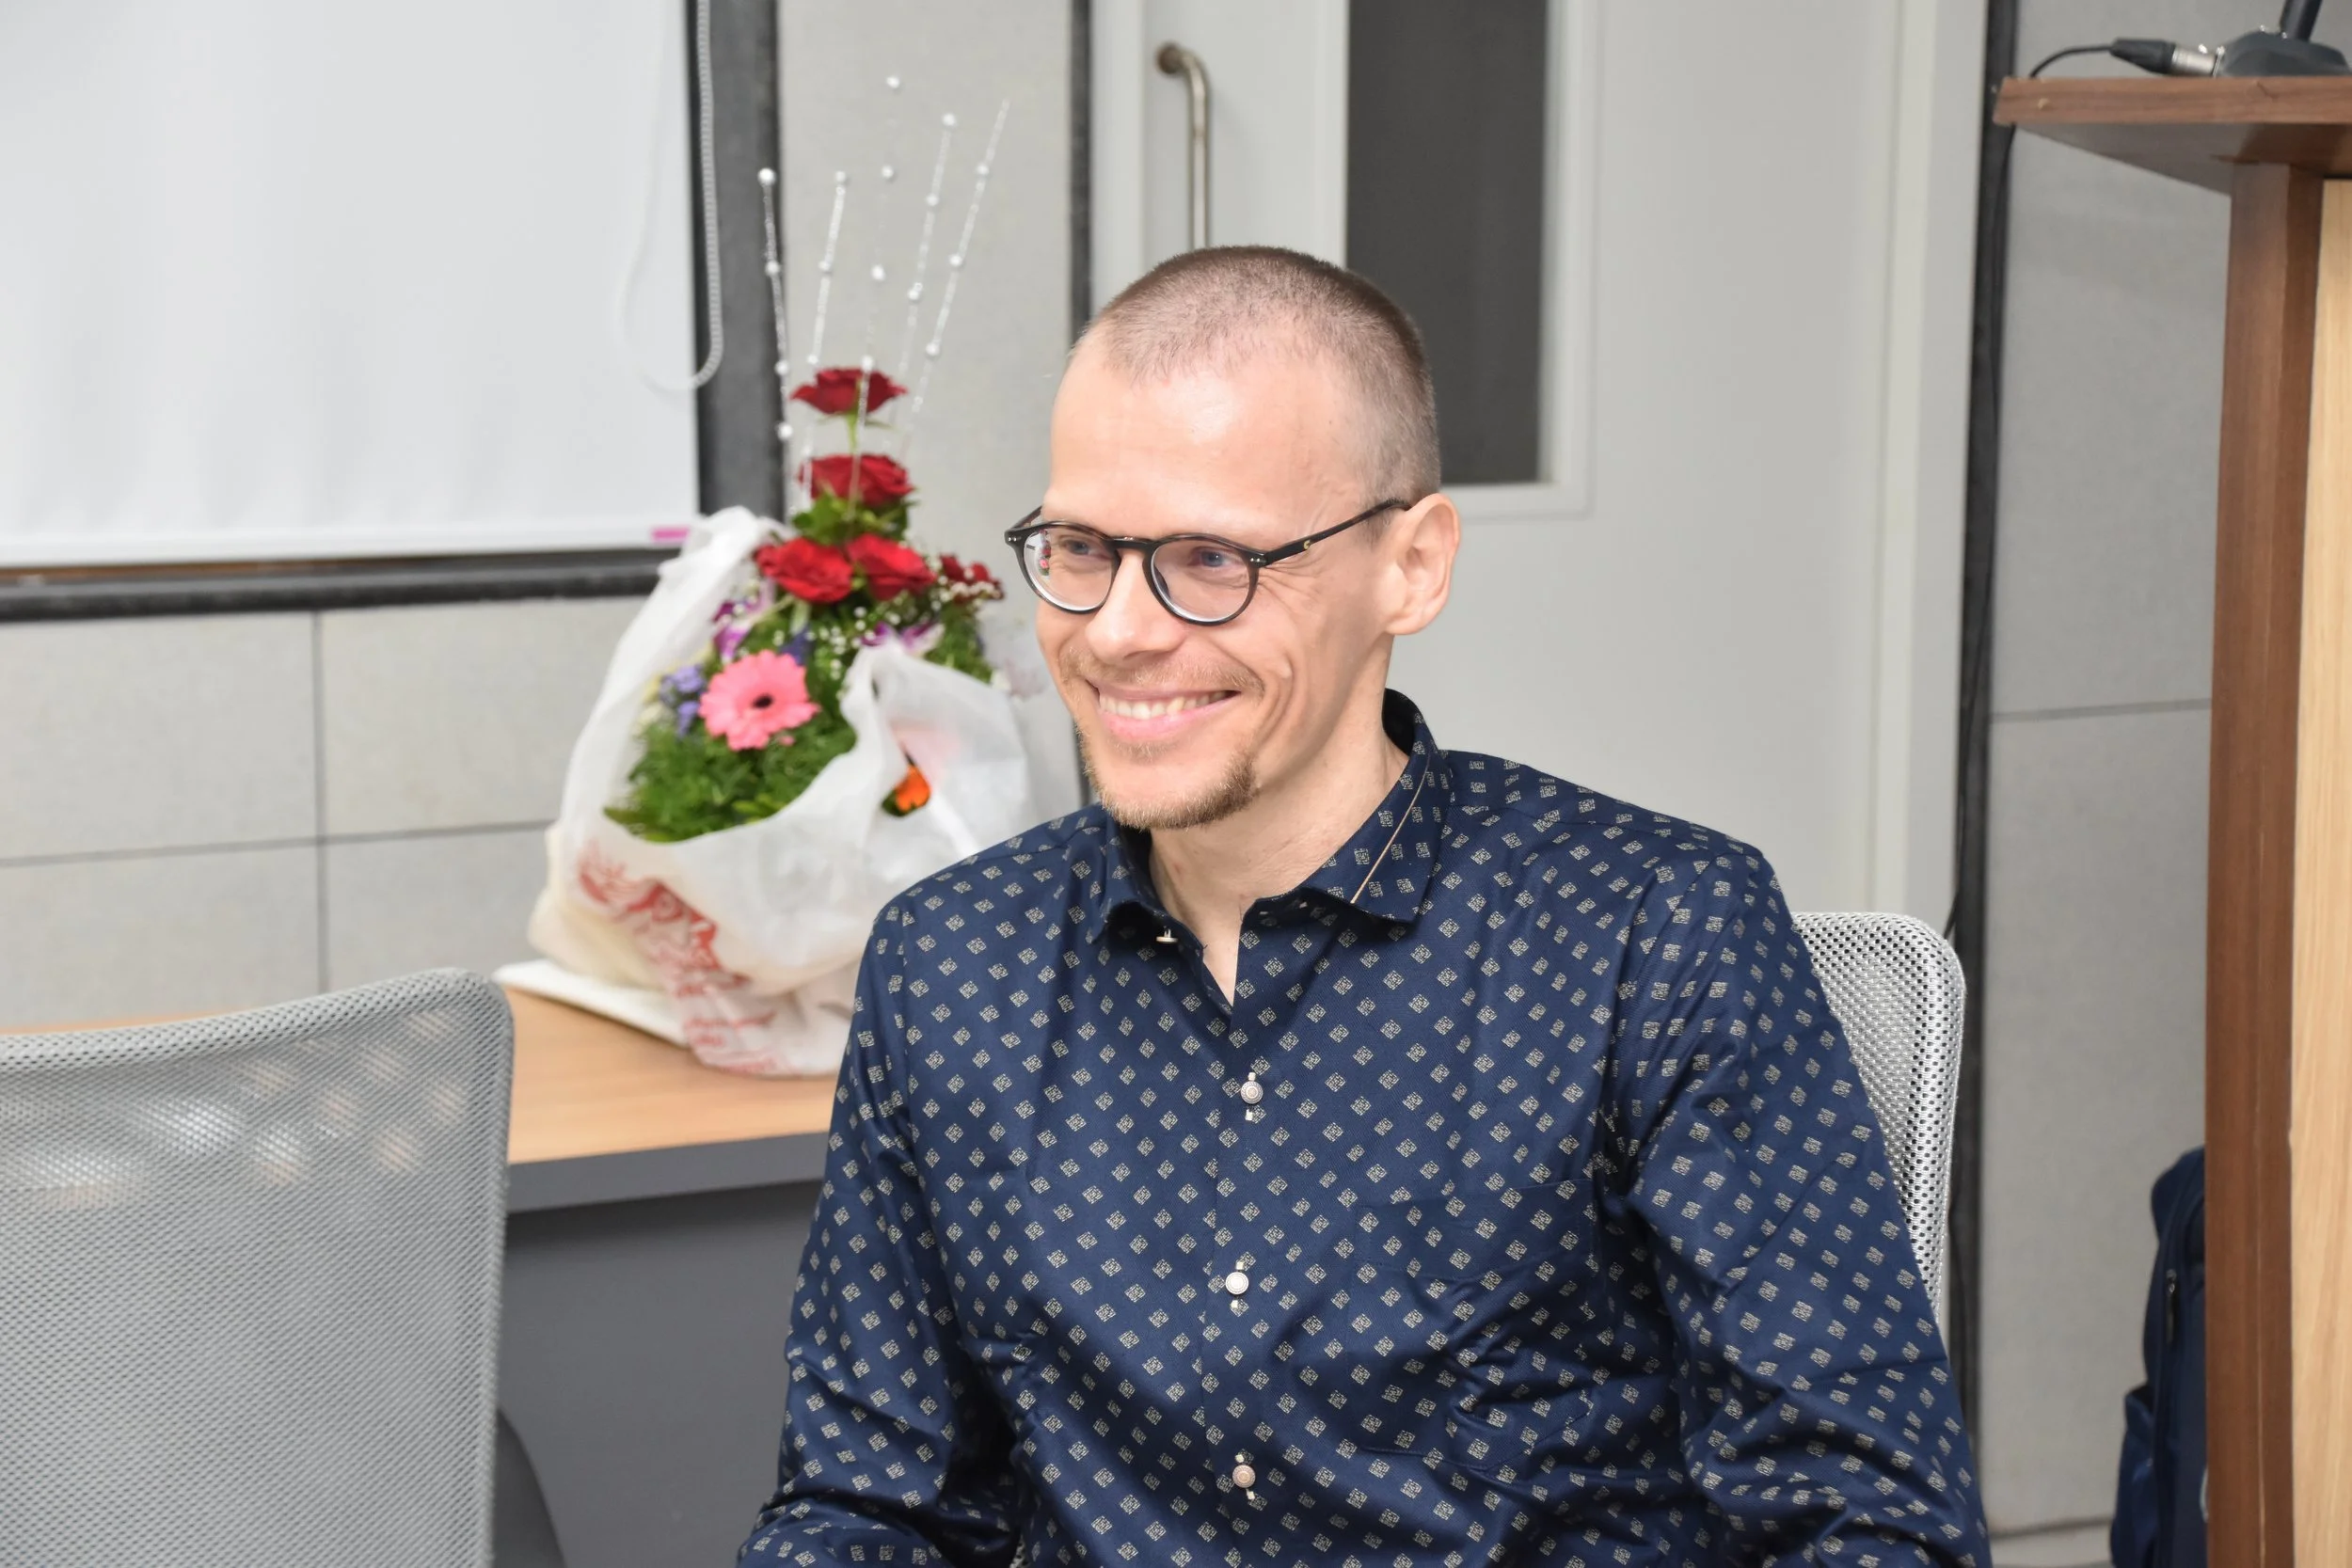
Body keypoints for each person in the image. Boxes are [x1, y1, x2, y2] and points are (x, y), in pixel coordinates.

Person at [740, 245, 1991, 1566]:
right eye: (1082, 548)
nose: (1116, 630)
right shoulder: (950, 967)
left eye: (1210, 558)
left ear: (1412, 565)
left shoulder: (1653, 934)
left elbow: (1872, 1525)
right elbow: (869, 1501)